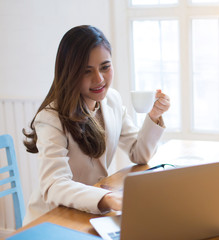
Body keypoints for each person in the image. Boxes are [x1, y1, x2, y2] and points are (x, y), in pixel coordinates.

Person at [22, 25, 170, 225]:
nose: (99, 79)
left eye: (105, 67)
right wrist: (108, 198)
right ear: (70, 73)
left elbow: (139, 153)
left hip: (89, 212)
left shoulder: (113, 100)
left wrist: (154, 116)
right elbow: (54, 184)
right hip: (53, 218)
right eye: (86, 71)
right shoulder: (51, 118)